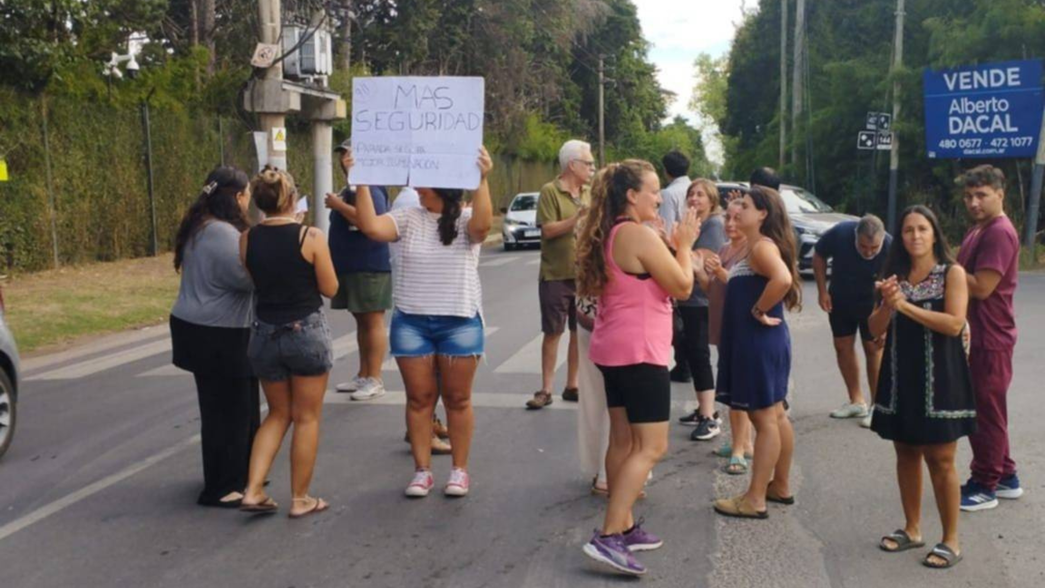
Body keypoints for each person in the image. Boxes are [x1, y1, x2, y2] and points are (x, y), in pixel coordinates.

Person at [576, 159, 699, 576]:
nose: (658, 197)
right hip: (639, 351)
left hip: (614, 347)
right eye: (651, 190)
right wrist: (683, 244)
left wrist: (673, 247)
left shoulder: (616, 232)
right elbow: (682, 286)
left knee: (624, 442)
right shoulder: (636, 234)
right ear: (631, 195)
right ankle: (609, 535)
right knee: (652, 446)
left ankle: (624, 525)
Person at [349, 148, 493, 498]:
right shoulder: (408, 217)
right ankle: (422, 470)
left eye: (424, 182)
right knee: (419, 399)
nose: (417, 188)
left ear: (443, 187)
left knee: (457, 400)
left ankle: (459, 470)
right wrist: (361, 181)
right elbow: (370, 226)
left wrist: (483, 178)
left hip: (459, 322)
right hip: (412, 322)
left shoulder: (465, 219)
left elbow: (483, 227)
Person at [869, 205, 975, 569]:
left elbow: (954, 323)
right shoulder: (893, 275)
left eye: (922, 229)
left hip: (941, 378)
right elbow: (874, 328)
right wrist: (887, 303)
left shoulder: (953, 273)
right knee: (906, 452)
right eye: (908, 230)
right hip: (901, 377)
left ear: (934, 234)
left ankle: (951, 540)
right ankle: (912, 529)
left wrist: (905, 306)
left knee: (941, 459)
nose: (915, 236)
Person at [238, 166, 339, 519]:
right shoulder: (309, 237)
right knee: (307, 417)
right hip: (305, 331)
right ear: (293, 199)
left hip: (264, 332)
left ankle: (253, 489)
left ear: (260, 204)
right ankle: (300, 498)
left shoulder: (247, 239)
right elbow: (330, 288)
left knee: (277, 413)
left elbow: (256, 280)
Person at [169, 167, 259, 508]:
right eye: (247, 193)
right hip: (217, 333)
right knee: (228, 410)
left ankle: (244, 471)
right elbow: (249, 280)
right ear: (237, 197)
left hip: (205, 328)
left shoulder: (203, 225)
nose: (249, 199)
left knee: (242, 405)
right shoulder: (221, 234)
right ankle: (221, 486)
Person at [713, 186, 800, 520]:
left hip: (757, 342)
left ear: (763, 213)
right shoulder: (756, 246)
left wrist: (758, 310)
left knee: (763, 419)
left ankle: (755, 498)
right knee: (775, 415)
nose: (739, 211)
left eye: (746, 206)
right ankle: (780, 486)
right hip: (764, 341)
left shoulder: (762, 247)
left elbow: (782, 278)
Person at [955, 165, 1024, 511]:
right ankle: (1006, 475)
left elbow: (981, 287)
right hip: (978, 335)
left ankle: (986, 484)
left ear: (1000, 193)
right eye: (968, 196)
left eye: (981, 195)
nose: (974, 202)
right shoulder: (978, 229)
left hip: (991, 337)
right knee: (987, 409)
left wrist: (947, 269)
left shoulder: (999, 232)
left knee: (984, 412)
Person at [526, 140, 594, 409]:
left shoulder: (589, 192)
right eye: (587, 163)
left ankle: (572, 384)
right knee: (553, 331)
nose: (591, 167)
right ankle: (545, 388)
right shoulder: (550, 191)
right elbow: (547, 230)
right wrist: (576, 218)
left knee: (579, 332)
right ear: (572, 165)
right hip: (556, 273)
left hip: (585, 274)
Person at [324, 141, 391, 402]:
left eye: (349, 154)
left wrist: (339, 206)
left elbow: (370, 220)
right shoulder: (351, 186)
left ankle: (375, 378)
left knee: (372, 321)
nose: (345, 159)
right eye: (342, 154)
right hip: (352, 264)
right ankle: (364, 374)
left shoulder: (370, 186)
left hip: (369, 265)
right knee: (361, 321)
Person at [813, 214, 891, 428]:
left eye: (873, 248)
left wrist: (886, 320)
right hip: (841, 299)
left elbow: (899, 283)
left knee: (873, 349)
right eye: (863, 246)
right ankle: (857, 401)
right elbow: (819, 256)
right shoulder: (840, 233)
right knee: (842, 346)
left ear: (882, 240)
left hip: (873, 305)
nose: (868, 252)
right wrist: (822, 291)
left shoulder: (891, 247)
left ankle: (878, 406)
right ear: (855, 236)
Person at [694, 198, 754, 474]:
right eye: (727, 218)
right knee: (731, 390)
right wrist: (701, 272)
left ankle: (741, 448)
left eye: (737, 218)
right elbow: (712, 291)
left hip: (743, 329)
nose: (730, 224)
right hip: (724, 327)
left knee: (740, 392)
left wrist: (719, 272)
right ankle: (743, 442)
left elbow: (746, 291)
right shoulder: (725, 248)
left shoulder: (753, 251)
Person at [676, 179, 726, 441]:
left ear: (712, 200)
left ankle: (709, 417)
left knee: (699, 354)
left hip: (701, 300)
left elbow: (700, 260)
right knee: (694, 355)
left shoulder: (713, 224)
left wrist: (674, 244)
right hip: (688, 297)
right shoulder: (694, 224)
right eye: (691, 194)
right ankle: (702, 409)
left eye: (700, 195)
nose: (694, 199)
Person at [660, 151, 693, 383]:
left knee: (677, 313)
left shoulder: (668, 193)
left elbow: (665, 228)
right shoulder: (694, 188)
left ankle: (683, 364)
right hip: (693, 252)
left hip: (674, 252)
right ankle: (687, 363)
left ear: (666, 170)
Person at [575, 295, 610, 495]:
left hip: (588, 313)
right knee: (622, 403)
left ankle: (600, 468)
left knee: (594, 398)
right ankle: (608, 473)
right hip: (622, 318)